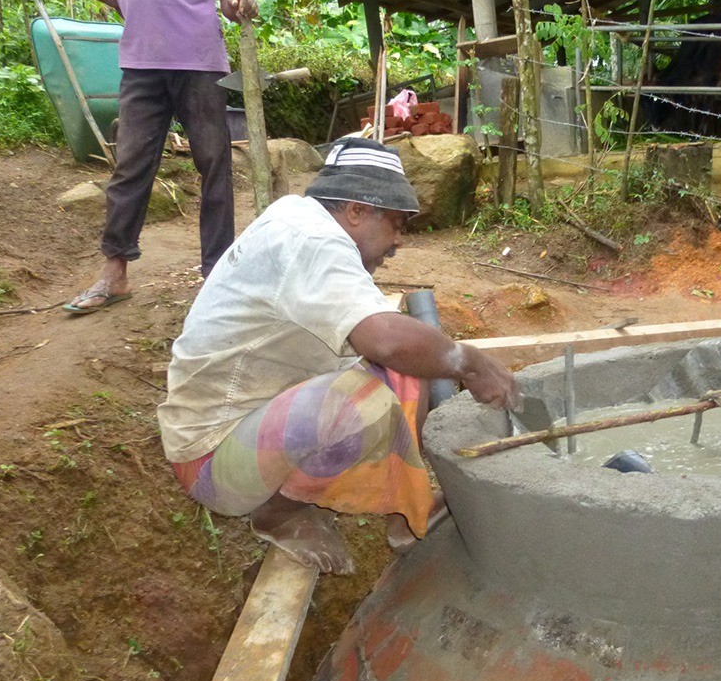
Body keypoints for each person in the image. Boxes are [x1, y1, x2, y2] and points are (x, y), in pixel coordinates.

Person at [157, 137, 521, 573]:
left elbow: (399, 347)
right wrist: (470, 363)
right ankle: (278, 513)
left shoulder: (303, 223)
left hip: (258, 423)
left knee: (408, 364)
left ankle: (405, 513)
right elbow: (385, 341)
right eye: (397, 224)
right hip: (212, 457)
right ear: (356, 211)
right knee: (359, 402)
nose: (397, 240)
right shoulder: (311, 240)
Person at [50, 0, 258, 313]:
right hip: (140, 62)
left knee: (215, 163)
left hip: (200, 60)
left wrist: (238, 2)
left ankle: (216, 275)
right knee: (131, 165)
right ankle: (115, 273)